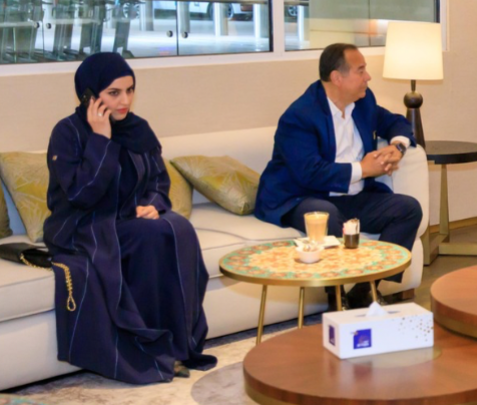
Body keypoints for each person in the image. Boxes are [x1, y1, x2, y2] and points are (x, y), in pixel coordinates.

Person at [43, 53, 216, 384]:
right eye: (114, 93)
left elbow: (158, 181)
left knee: (177, 227)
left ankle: (178, 345)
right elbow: (81, 195)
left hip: (127, 222)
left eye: (130, 90)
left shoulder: (137, 129)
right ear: (89, 95)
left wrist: (153, 204)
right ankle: (150, 347)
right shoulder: (67, 133)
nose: (125, 101)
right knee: (153, 236)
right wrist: (100, 139)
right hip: (85, 226)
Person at [255, 43, 422, 308]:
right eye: (361, 70)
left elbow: (394, 122)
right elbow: (309, 173)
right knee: (327, 216)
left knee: (408, 209)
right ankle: (335, 298)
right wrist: (363, 169)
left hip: (352, 196)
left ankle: (364, 290)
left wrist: (397, 147)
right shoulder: (300, 116)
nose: (368, 77)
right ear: (337, 78)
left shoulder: (363, 101)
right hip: (301, 197)